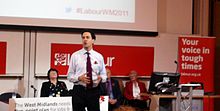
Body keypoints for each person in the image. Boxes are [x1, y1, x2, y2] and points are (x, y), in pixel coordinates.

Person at [67, 29, 107, 111]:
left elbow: (104, 75)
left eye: (87, 37)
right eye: (83, 37)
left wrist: (101, 79)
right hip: (79, 90)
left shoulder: (99, 56)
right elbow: (69, 76)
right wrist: (79, 78)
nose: (85, 39)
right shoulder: (75, 56)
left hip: (94, 91)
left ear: (93, 40)